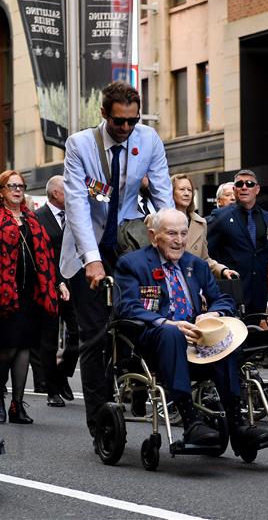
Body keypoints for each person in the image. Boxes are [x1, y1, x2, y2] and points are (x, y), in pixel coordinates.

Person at [61, 81, 173, 437]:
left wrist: (172, 242)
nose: (126, 128)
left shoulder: (148, 140)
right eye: (118, 122)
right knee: (94, 336)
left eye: (132, 121)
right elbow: (77, 205)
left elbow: (162, 197)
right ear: (104, 114)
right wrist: (92, 260)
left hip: (128, 245)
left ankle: (137, 389)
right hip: (87, 248)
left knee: (140, 324)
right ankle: (100, 422)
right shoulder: (80, 145)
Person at [114, 208, 268, 450]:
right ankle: (190, 421)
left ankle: (237, 424)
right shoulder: (132, 264)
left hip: (196, 341)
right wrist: (167, 322)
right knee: (172, 333)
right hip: (155, 341)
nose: (179, 240)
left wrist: (213, 314)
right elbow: (127, 306)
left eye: (183, 233)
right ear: (153, 236)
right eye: (171, 234)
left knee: (224, 337)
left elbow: (222, 299)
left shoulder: (195, 264)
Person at [0, 170, 62, 425]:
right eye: (12, 186)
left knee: (24, 348)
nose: (17, 190)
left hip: (31, 294)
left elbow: (47, 256)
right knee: (6, 348)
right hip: (3, 294)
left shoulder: (32, 219)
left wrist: (58, 283)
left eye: (21, 186)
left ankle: (17, 405)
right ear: (1, 190)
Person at [207, 169, 268, 316]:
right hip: (228, 296)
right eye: (240, 184)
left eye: (249, 184)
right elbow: (204, 253)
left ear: (257, 189)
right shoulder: (221, 217)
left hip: (258, 296)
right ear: (234, 189)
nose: (244, 187)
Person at [35, 175, 80, 407]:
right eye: (67, 190)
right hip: (48, 286)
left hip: (75, 285)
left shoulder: (75, 216)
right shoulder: (37, 218)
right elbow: (41, 256)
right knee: (49, 340)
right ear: (55, 193)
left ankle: (61, 374)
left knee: (79, 333)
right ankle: (51, 389)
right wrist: (57, 281)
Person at [171, 173, 236, 280]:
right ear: (171, 192)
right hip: (169, 281)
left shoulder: (200, 223)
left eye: (190, 190)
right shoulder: (159, 219)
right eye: (182, 189)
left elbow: (204, 258)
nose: (187, 193)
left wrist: (222, 270)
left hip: (192, 282)